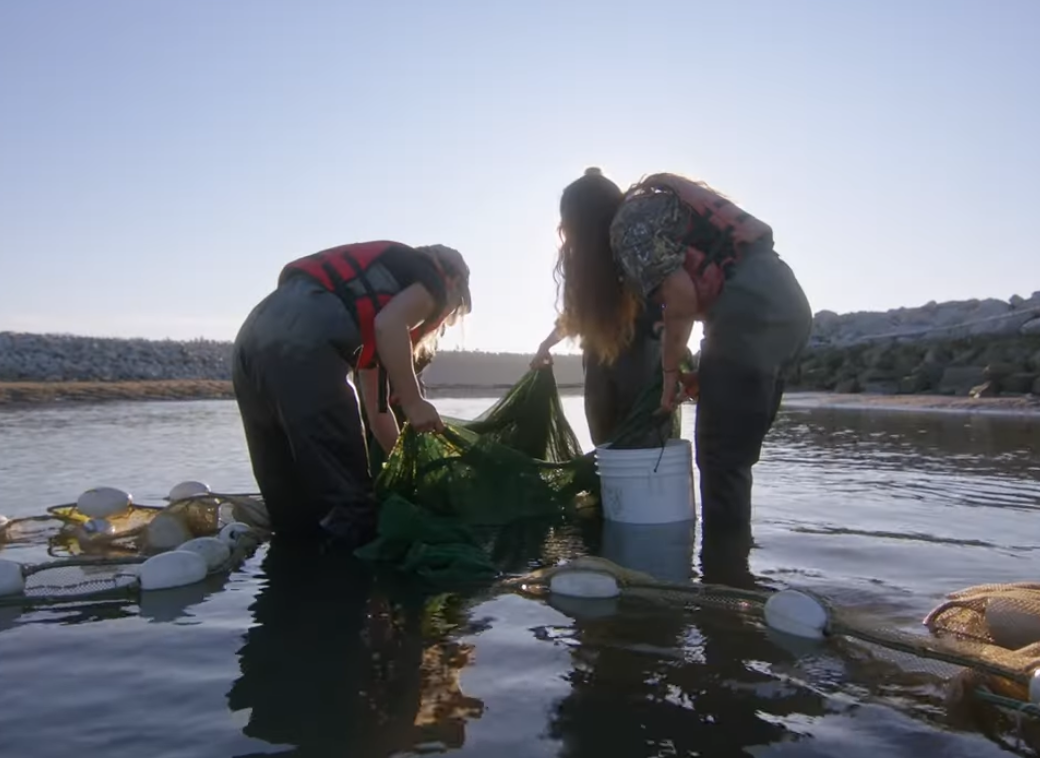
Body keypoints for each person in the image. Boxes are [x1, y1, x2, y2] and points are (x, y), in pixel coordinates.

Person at [551, 167, 812, 533]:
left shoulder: (628, 227)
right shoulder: (653, 208)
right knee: (734, 456)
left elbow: (681, 299)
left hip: (747, 313)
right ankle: (732, 568)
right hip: (786, 305)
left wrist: (670, 374)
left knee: (722, 461)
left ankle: (725, 580)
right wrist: (707, 374)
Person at [231, 240, 472, 547]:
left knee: (290, 506)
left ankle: (293, 582)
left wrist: (405, 468)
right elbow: (390, 323)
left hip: (249, 343)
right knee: (351, 504)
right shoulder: (433, 278)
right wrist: (414, 402)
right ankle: (354, 589)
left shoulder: (368, 302)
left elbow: (378, 412)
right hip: (304, 344)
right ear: (454, 282)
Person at [530, 299, 676, 448]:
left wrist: (670, 338)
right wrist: (546, 345)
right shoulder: (587, 285)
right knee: (603, 436)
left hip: (644, 347)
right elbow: (575, 312)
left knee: (645, 432)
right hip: (598, 351)